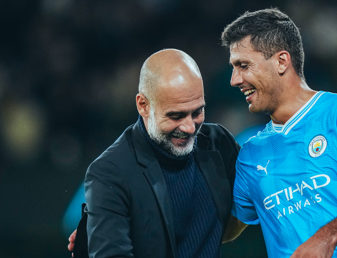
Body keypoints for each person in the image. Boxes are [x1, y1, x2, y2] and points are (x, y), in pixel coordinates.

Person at [221, 8, 337, 258]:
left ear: (281, 61)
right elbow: (223, 231)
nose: (234, 79)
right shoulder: (250, 154)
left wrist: (327, 238)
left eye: (243, 65)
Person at [68, 49, 244, 258]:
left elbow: (241, 214)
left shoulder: (219, 143)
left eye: (197, 111)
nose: (189, 127)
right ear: (143, 105)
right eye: (175, 115)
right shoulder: (110, 173)